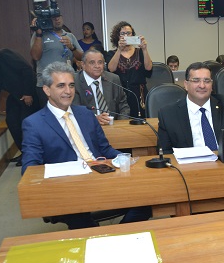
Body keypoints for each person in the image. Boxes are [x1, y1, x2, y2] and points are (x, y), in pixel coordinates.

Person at [21, 62, 152, 229]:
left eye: (71, 85)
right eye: (61, 86)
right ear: (47, 90)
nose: (68, 91)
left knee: (147, 198)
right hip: (68, 186)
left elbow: (105, 149)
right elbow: (29, 168)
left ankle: (117, 235)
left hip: (102, 175)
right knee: (81, 218)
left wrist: (126, 159)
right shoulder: (34, 123)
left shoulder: (85, 114)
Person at [157, 62, 224, 153]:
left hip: (223, 163)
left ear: (212, 85)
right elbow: (164, 153)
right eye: (196, 80)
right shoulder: (168, 114)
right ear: (186, 85)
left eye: (207, 81)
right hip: (188, 165)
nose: (202, 85)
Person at [0, 48, 39, 166]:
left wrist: (28, 93)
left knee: (25, 122)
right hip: (15, 96)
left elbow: (27, 69)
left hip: (29, 92)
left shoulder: (3, 55)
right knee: (11, 121)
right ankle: (25, 153)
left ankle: (33, 155)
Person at [30, 12, 83, 106]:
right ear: (48, 20)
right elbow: (35, 56)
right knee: (49, 114)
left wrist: (72, 47)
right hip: (46, 84)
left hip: (67, 83)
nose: (57, 19)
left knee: (68, 112)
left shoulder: (70, 36)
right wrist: (38, 35)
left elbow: (82, 57)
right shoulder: (40, 35)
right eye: (53, 17)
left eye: (58, 16)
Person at [106, 21, 152, 118]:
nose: (126, 36)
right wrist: (119, 49)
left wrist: (144, 49)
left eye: (128, 33)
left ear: (133, 35)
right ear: (117, 36)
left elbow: (148, 69)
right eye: (122, 33)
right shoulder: (111, 54)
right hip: (120, 95)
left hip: (139, 95)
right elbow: (111, 69)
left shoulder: (140, 52)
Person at [72, 48, 130, 125]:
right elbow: (75, 110)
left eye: (100, 62)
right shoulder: (74, 81)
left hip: (113, 126)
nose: (97, 66)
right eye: (92, 62)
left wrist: (120, 124)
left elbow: (123, 106)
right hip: (87, 126)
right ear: (83, 65)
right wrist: (94, 119)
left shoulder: (113, 79)